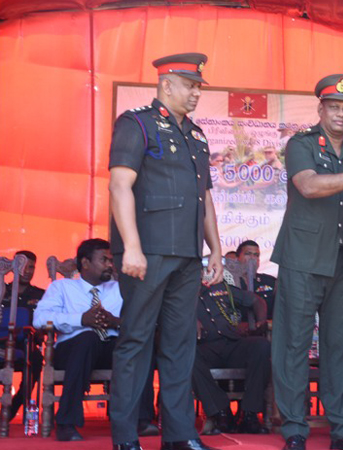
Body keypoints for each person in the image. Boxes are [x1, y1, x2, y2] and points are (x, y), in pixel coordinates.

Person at [108, 52, 224, 450]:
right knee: (136, 342)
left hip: (188, 255)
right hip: (149, 253)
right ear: (166, 84)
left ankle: (179, 436)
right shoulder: (136, 124)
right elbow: (120, 186)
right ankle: (125, 437)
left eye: (198, 87)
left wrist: (216, 251)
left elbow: (204, 197)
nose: (195, 93)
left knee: (180, 346)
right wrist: (132, 248)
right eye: (190, 85)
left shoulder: (196, 135)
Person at [270, 74, 343, 450]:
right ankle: (294, 429)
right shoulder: (302, 144)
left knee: (342, 347)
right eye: (334, 107)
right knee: (294, 345)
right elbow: (308, 185)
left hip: (342, 261)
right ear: (321, 109)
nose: (340, 114)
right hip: (302, 259)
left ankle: (342, 429)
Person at [32, 239, 155, 440]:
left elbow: (141, 322)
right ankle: (66, 424)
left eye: (110, 260)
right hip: (72, 351)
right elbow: (39, 319)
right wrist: (81, 319)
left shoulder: (120, 288)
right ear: (85, 263)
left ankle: (141, 420)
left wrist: (116, 322)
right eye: (103, 260)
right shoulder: (62, 287)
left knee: (138, 346)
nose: (110, 264)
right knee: (87, 337)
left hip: (111, 350)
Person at [192, 270, 271, 435]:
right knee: (188, 356)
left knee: (261, 346)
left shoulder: (221, 288)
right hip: (204, 347)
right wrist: (189, 321)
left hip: (232, 343)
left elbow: (257, 300)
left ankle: (249, 414)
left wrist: (261, 320)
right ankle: (221, 412)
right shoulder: (180, 294)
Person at [1, 250, 44, 422]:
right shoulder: (2, 290)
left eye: (32, 267)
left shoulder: (41, 295)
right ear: (14, 266)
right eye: (23, 266)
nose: (27, 271)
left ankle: (14, 406)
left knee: (35, 360)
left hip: (26, 345)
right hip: (2, 343)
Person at [226, 240, 277, 319]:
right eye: (248, 254)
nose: (252, 258)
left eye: (256, 255)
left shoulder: (270, 282)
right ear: (237, 259)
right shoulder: (228, 282)